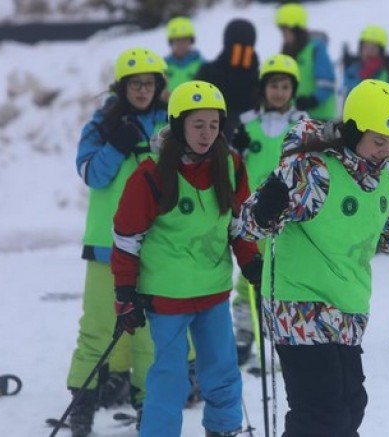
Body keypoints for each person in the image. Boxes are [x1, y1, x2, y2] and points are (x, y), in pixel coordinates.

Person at [239, 79, 389, 436]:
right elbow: (247, 226)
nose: (385, 151)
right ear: (355, 130)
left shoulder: (385, 179)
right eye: (378, 141)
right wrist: (266, 209)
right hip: (299, 306)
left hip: (347, 309)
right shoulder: (314, 170)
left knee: (351, 408)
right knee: (322, 415)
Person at [111, 80, 262, 437]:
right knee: (170, 378)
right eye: (198, 125)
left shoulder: (230, 166)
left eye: (213, 124)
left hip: (212, 292)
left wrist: (251, 263)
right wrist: (125, 292)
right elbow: (127, 239)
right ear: (178, 124)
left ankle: (223, 429)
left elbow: (239, 226)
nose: (207, 134)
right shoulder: (151, 174)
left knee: (222, 370)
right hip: (167, 297)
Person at [68, 47, 167, 437]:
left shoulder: (168, 124)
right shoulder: (100, 125)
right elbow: (92, 175)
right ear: (122, 86)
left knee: (148, 337)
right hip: (105, 246)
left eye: (149, 83)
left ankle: (148, 407)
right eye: (135, 83)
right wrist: (116, 146)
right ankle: (82, 406)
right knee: (96, 330)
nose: (142, 90)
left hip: (154, 246)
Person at [230, 54, 307, 365]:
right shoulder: (249, 123)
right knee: (250, 275)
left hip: (287, 215)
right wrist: (236, 147)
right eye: (274, 86)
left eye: (285, 86)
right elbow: (233, 164)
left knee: (284, 274)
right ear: (263, 88)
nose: (279, 92)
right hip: (253, 215)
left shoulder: (301, 123)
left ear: (293, 90)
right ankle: (245, 330)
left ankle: (283, 330)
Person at [196, 18, 261, 139]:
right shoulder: (209, 73)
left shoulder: (259, 78)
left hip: (250, 138)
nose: (240, 50)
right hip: (213, 138)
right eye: (236, 46)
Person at [275, 2, 337, 121]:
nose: (283, 35)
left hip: (320, 117)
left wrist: (312, 100)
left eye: (286, 31)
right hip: (297, 116)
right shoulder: (287, 51)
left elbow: (327, 83)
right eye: (282, 31)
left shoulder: (315, 49)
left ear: (296, 30)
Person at [342, 25, 389, 98]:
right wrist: (363, 77)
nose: (368, 52)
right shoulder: (352, 71)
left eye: (373, 48)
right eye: (365, 47)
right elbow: (346, 90)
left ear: (380, 51)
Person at [164, 16, 205, 94]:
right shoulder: (163, 67)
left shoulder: (202, 64)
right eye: (177, 40)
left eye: (185, 40)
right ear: (171, 42)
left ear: (191, 41)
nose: (181, 44)